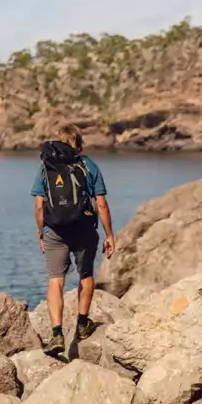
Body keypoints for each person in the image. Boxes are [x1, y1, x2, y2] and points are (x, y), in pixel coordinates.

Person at [31, 124, 115, 356]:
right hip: (84, 229)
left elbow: (39, 208)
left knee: (55, 281)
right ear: (79, 142)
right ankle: (82, 324)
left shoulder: (46, 167)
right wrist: (109, 234)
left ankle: (57, 333)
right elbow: (101, 204)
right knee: (86, 275)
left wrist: (41, 233)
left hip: (54, 230)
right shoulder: (89, 165)